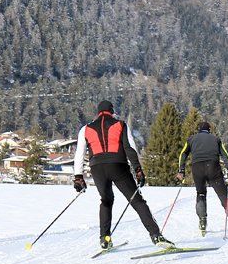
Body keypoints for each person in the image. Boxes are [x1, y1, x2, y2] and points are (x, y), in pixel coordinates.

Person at [73, 100, 173, 249]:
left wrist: (78, 177)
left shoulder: (85, 129)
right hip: (118, 166)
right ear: (111, 111)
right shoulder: (121, 125)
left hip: (98, 168)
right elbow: (130, 148)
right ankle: (156, 236)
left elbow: (79, 153)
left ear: (98, 112)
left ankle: (104, 239)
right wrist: (138, 170)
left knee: (106, 200)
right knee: (137, 201)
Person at [176, 121, 228, 236]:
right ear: (209, 130)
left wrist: (181, 171)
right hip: (213, 168)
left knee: (201, 193)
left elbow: (183, 154)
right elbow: (225, 155)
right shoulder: (216, 139)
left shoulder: (191, 139)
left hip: (197, 168)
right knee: (224, 195)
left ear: (198, 130)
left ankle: (202, 222)